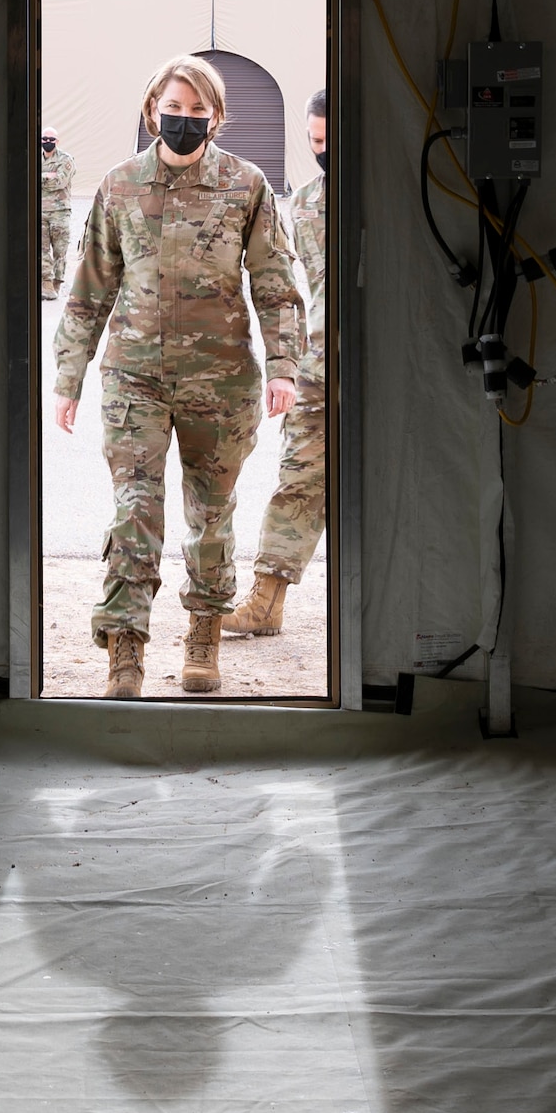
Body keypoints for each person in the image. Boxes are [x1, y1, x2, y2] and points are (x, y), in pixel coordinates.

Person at [52, 55, 305, 699]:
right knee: (134, 512)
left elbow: (275, 287)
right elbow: (89, 290)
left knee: (210, 515)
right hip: (133, 379)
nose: (184, 121)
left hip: (220, 385)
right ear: (150, 110)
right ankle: (125, 650)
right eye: (174, 108)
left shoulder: (246, 187)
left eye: (198, 112)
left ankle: (203, 638)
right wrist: (68, 377)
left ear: (217, 118)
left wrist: (282, 368)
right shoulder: (118, 187)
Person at [227, 89, 329, 638]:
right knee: (299, 475)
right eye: (314, 142)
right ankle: (267, 601)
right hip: (320, 366)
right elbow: (288, 289)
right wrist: (286, 364)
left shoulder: (403, 194)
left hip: (392, 361)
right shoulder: (308, 201)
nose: (322, 151)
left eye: (330, 140)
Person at [40, 127, 76, 299]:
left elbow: (60, 182)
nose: (48, 142)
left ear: (57, 141)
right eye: (44, 139)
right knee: (42, 248)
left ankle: (57, 282)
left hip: (60, 212)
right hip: (40, 212)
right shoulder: (35, 158)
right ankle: (46, 283)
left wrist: (40, 178)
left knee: (60, 250)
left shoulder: (66, 159)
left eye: (51, 139)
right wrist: (48, 175)